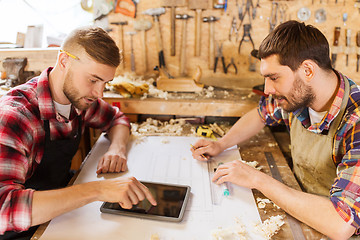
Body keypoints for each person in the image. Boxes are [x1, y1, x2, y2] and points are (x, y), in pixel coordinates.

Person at [191, 20, 359, 239]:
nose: (268, 89)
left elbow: (340, 224)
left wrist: (258, 179)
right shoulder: (298, 95)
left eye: (274, 78)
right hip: (302, 204)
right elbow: (260, 114)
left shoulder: (355, 122)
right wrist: (222, 143)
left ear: (308, 70)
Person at [0, 26, 156, 239]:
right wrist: (98, 190)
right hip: (20, 232)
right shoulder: (15, 117)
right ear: (64, 62)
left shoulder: (79, 100)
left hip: (61, 212)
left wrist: (117, 149)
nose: (99, 93)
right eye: (93, 80)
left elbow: (116, 118)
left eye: (105, 83)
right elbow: (4, 209)